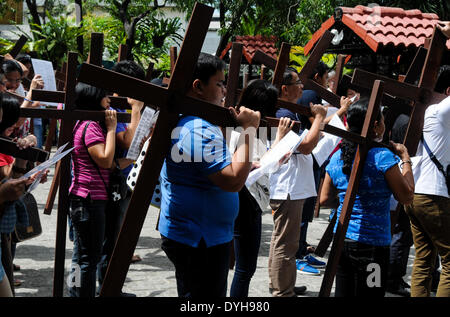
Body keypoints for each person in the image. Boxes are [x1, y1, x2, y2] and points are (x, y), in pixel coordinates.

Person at [158, 52, 260, 297]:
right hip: (197, 239)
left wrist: (245, 163)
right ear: (198, 86)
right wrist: (249, 130)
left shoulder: (197, 123)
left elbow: (221, 169)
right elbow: (233, 180)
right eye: (219, 83)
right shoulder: (196, 129)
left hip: (203, 235)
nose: (225, 91)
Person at [320, 97, 415, 296]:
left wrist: (350, 201)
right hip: (373, 245)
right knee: (372, 293)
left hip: (342, 239)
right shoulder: (383, 157)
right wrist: (406, 159)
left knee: (344, 292)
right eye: (382, 118)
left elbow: (324, 199)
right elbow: (406, 196)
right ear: (376, 125)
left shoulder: (338, 156)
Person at [268, 67, 327, 297]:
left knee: (283, 241)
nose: (302, 88)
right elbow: (305, 147)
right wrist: (319, 118)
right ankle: (282, 291)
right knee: (286, 243)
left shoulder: (289, 112)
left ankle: (283, 284)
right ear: (285, 88)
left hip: (290, 186)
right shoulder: (285, 112)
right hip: (288, 187)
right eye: (297, 84)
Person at [96, 60, 146, 296]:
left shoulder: (126, 107)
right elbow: (128, 141)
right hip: (106, 181)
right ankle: (103, 287)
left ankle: (109, 286)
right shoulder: (113, 109)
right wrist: (136, 110)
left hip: (124, 179)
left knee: (114, 237)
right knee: (104, 240)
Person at [228, 79, 281, 297]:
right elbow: (244, 164)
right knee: (245, 267)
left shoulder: (237, 124)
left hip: (242, 197)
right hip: (246, 198)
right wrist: (277, 147)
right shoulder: (246, 128)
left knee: (241, 266)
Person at [404, 64, 450, 297]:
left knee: (424, 258)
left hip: (415, 192)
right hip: (433, 194)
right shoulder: (441, 111)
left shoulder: (426, 112)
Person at [68, 83, 117, 297]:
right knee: (89, 259)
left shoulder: (82, 122)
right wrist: (113, 129)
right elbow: (105, 160)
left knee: (80, 257)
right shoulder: (91, 126)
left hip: (83, 197)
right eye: (105, 95)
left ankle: (74, 292)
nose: (109, 99)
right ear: (94, 98)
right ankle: (81, 294)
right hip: (89, 199)